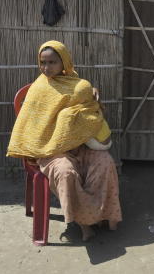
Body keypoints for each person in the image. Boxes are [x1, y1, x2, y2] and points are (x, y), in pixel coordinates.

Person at [7, 40, 121, 241]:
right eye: (43, 62)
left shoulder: (76, 83)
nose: (46, 67)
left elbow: (87, 109)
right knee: (66, 172)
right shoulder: (39, 89)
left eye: (52, 62)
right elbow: (33, 125)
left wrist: (93, 95)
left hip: (80, 144)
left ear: (64, 62)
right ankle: (83, 223)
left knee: (105, 163)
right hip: (50, 149)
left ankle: (101, 214)